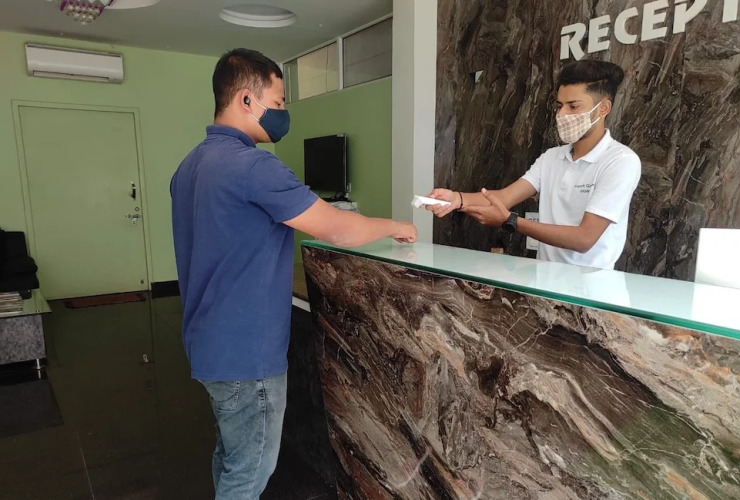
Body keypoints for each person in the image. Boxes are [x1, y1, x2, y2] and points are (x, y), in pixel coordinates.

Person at [170, 48, 417, 499]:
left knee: (230, 455)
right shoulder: (254, 167)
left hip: (207, 344)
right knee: (250, 471)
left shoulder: (189, 166)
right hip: (247, 355)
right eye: (279, 102)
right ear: (247, 100)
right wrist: (395, 226)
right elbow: (338, 228)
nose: (284, 113)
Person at [426, 60, 641, 270]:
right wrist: (456, 199)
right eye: (559, 106)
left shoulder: (620, 161)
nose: (562, 115)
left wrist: (511, 221)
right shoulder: (551, 158)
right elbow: (504, 197)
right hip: (544, 281)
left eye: (573, 106)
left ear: (603, 108)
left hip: (591, 288)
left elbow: (584, 239)